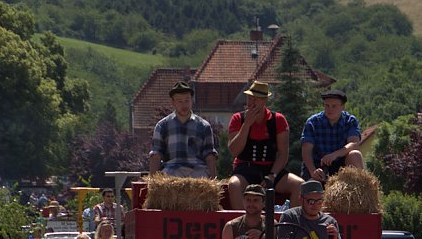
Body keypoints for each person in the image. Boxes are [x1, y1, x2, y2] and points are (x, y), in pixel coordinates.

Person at [227, 80, 303, 209]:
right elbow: (234, 151)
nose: (251, 102)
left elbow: (283, 154)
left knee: (300, 186)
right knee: (234, 185)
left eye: (256, 99)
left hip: (271, 168)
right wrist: (246, 126)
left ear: (264, 101)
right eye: (249, 98)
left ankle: (290, 224)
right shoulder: (238, 119)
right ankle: (241, 225)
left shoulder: (278, 120)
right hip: (245, 168)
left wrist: (272, 175)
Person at [149, 81, 218, 178]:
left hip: (197, 171)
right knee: (167, 178)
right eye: (180, 101)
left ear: (192, 100)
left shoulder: (204, 126)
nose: (184, 105)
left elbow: (209, 155)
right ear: (173, 102)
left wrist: (213, 181)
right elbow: (156, 155)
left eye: (187, 100)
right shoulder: (162, 126)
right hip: (171, 170)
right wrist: (152, 183)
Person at [301, 89, 364, 182]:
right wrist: (313, 170)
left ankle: (359, 190)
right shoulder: (312, 122)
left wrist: (334, 155)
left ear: (343, 106)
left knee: (355, 154)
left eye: (334, 106)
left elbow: (354, 143)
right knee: (312, 189)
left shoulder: (350, 121)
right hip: (317, 166)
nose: (330, 109)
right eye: (327, 105)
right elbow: (306, 151)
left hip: (342, 165)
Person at [278, 180, 346, 239]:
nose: (315, 205)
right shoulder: (290, 217)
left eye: (319, 202)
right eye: (311, 201)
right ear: (301, 199)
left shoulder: (330, 221)